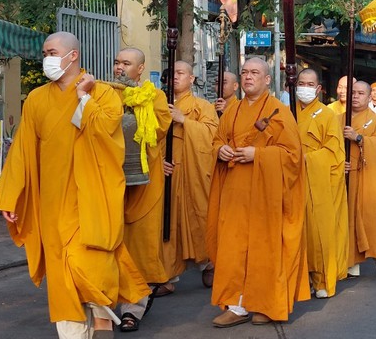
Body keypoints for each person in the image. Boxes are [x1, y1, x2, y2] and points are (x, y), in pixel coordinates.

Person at [0, 32, 150, 338]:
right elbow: (23, 150)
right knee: (63, 281)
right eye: (45, 52)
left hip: (92, 201)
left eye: (51, 52)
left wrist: (84, 98)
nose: (45, 58)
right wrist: (10, 196)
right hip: (52, 204)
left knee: (94, 272)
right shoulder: (37, 98)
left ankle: (103, 327)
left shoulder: (104, 93)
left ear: (72, 56)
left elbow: (106, 133)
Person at [207, 57, 309, 327]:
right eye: (244, 72)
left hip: (266, 195)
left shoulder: (279, 111)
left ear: (267, 80)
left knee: (265, 249)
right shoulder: (232, 110)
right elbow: (218, 138)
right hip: (235, 192)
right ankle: (237, 305)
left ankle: (267, 303)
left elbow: (293, 156)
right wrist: (220, 150)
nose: (248, 76)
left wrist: (258, 154)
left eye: (255, 72)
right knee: (233, 249)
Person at [112, 48, 172, 333]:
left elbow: (159, 129)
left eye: (126, 63)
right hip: (109, 182)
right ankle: (103, 303)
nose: (119, 67)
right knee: (107, 242)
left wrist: (136, 101)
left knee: (139, 247)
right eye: (117, 62)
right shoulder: (107, 92)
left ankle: (132, 308)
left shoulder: (154, 97)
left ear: (140, 69)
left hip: (143, 183)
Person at [159, 61, 220, 295]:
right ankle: (166, 275)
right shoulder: (158, 103)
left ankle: (209, 262)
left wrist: (184, 121)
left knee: (199, 215)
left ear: (192, 79)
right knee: (168, 220)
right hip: (168, 169)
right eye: (172, 73)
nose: (175, 77)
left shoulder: (202, 106)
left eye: (181, 73)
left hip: (194, 169)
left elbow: (213, 135)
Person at [295, 69, 348, 299]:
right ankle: (299, 276)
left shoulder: (327, 115)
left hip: (318, 181)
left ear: (318, 89)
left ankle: (323, 278)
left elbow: (334, 152)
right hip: (291, 179)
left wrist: (307, 159)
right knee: (296, 229)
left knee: (319, 231)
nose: (304, 88)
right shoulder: (287, 112)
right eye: (301, 83)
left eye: (310, 84)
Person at [342, 81, 376, 277]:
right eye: (352, 93)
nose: (355, 96)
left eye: (360, 93)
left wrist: (358, 138)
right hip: (345, 176)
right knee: (347, 218)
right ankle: (351, 261)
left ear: (369, 96)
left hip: (367, 177)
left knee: (370, 219)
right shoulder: (338, 119)